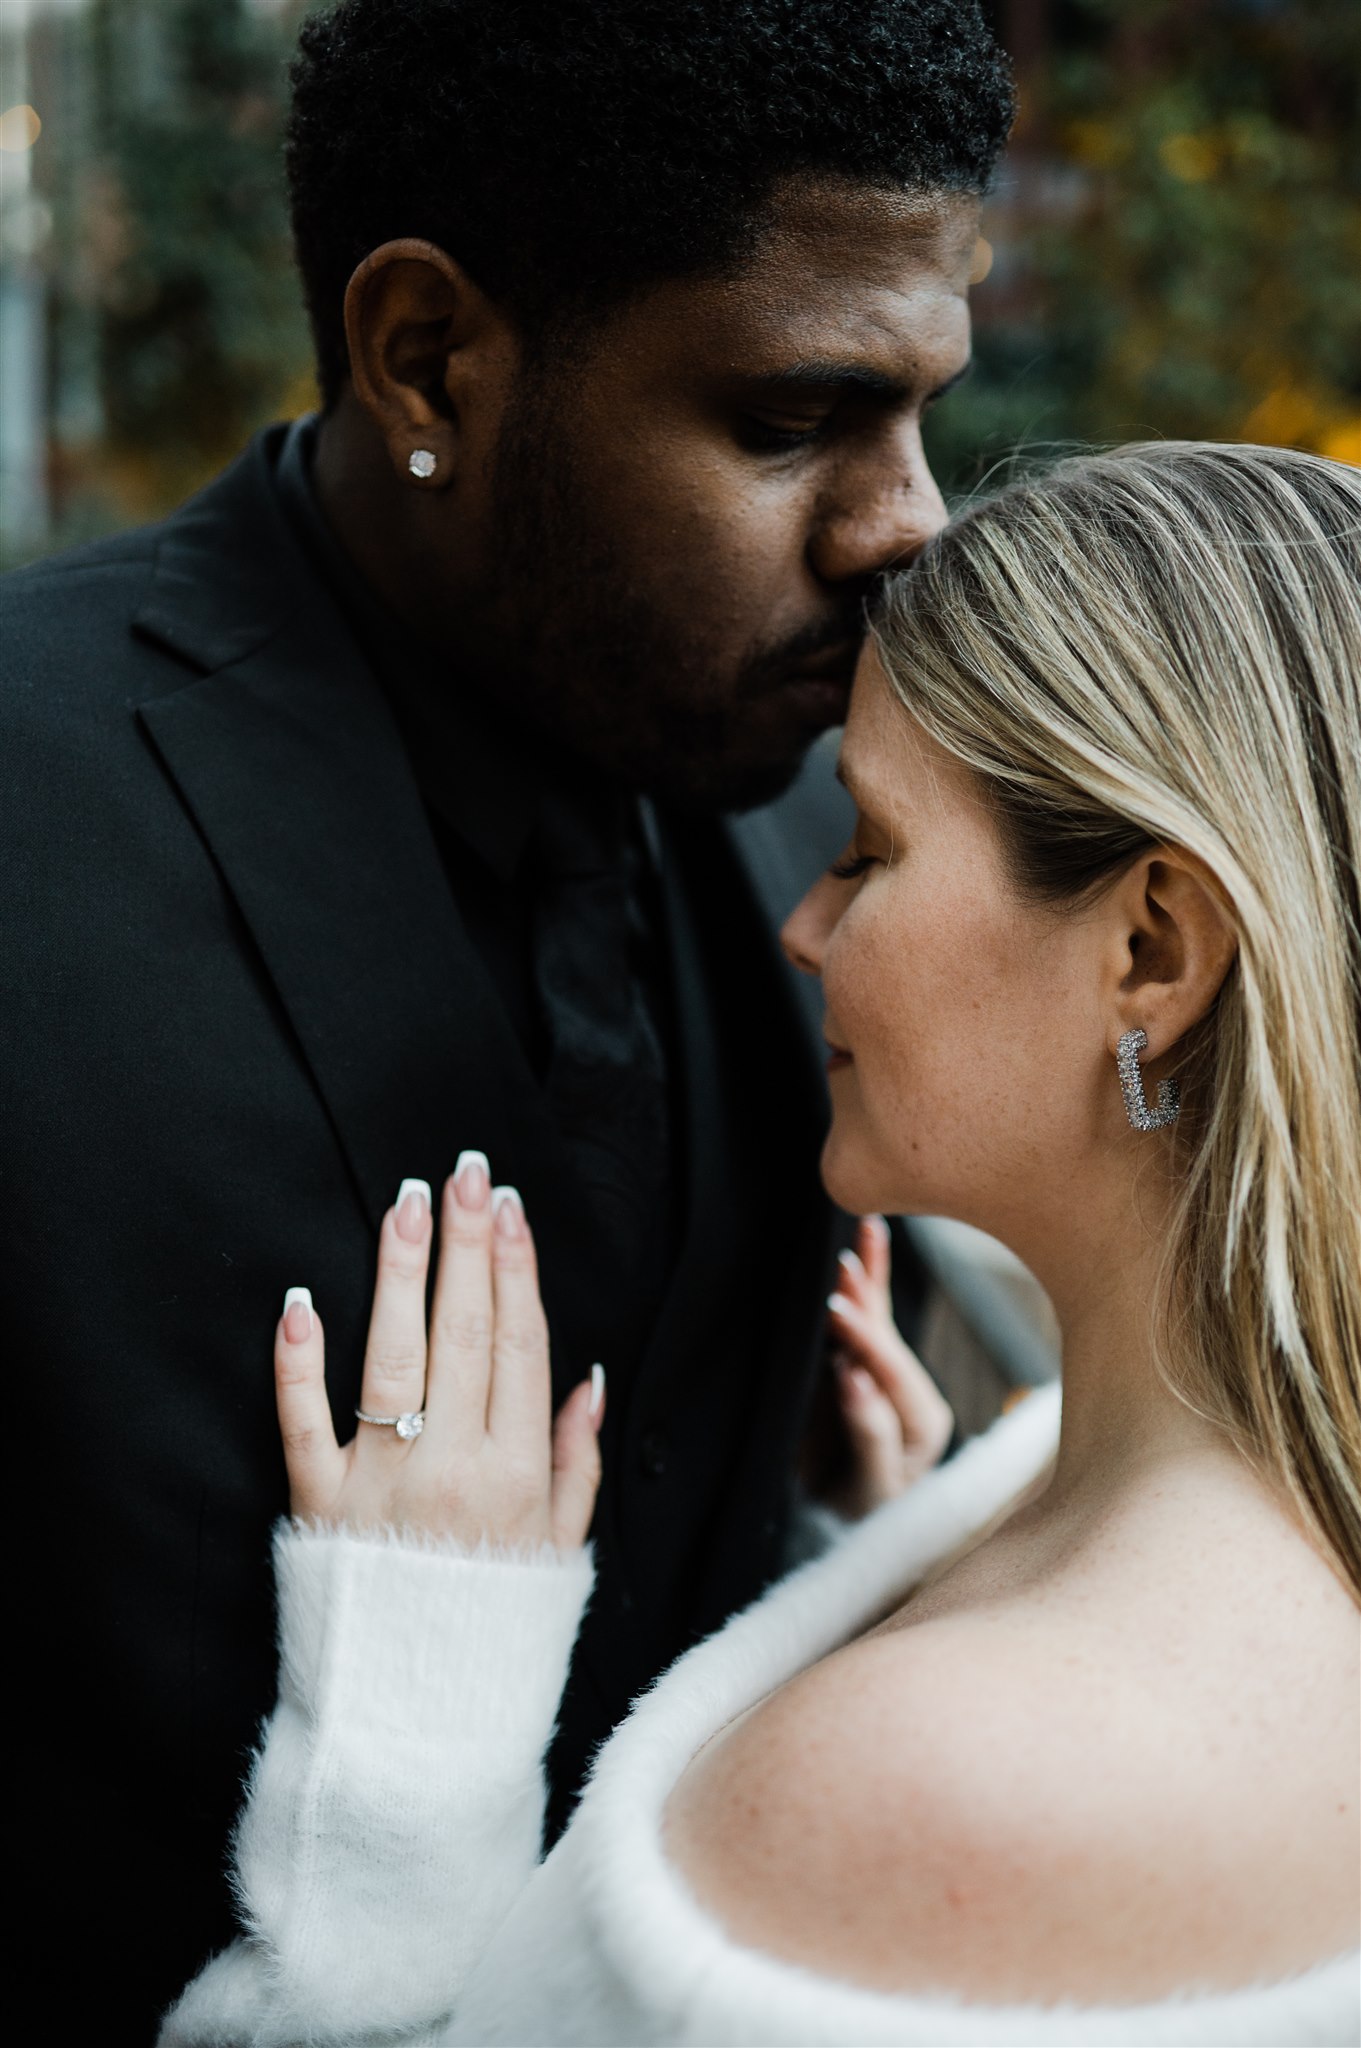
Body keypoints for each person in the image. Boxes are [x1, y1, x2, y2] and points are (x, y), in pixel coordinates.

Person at [0, 0, 1016, 2029]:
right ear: (427, 356)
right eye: (792, 416)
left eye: (921, 415)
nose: (905, 519)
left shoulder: (843, 833)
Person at [164, 442, 1360, 2045]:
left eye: (867, 850)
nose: (802, 924)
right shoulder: (1119, 1488)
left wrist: (409, 1727)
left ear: (1148, 948)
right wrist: (876, 1550)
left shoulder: (942, 1787)